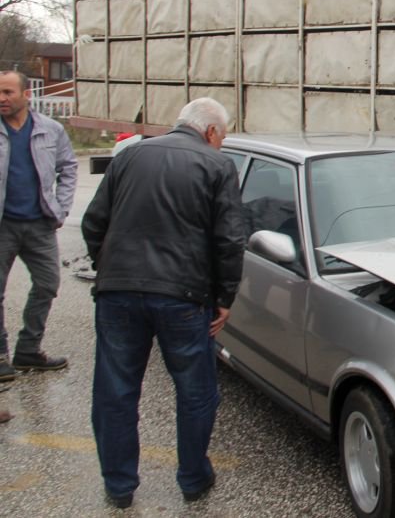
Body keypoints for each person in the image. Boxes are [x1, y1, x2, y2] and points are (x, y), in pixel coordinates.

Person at [82, 98, 245, 509]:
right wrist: (225, 297)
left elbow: (93, 222)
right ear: (210, 132)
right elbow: (229, 239)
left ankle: (119, 486)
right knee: (196, 391)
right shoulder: (217, 166)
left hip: (117, 294)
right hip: (184, 298)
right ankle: (193, 479)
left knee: (115, 391)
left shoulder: (129, 155)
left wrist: (111, 268)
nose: (221, 145)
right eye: (222, 138)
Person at [0, 70, 78, 382]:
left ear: (26, 94)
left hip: (40, 224)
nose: (2, 99)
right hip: (3, 225)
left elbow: (69, 168)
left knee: (47, 285)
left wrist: (60, 208)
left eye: (8, 92)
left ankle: (28, 350)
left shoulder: (51, 129)